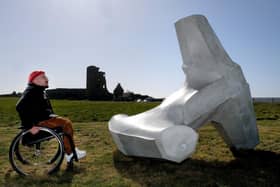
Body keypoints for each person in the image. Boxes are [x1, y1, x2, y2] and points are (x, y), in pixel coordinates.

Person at [16, 70, 86, 163]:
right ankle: (70, 153)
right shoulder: (32, 91)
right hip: (40, 122)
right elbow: (20, 106)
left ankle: (70, 152)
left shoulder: (39, 91)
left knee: (65, 123)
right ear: (34, 80)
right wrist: (30, 126)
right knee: (66, 123)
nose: (47, 79)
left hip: (44, 119)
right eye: (43, 77)